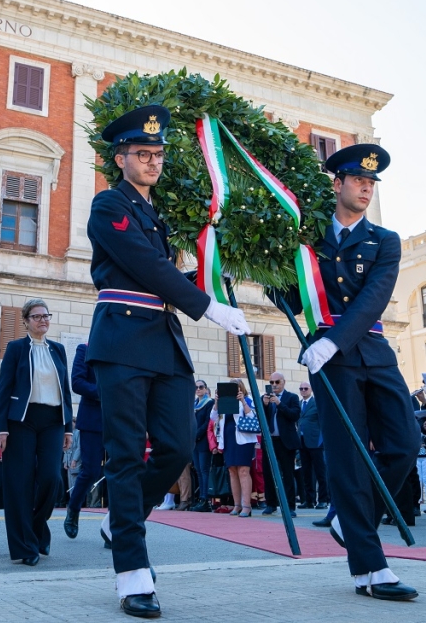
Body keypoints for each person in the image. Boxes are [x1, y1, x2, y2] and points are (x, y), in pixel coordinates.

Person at [86, 104, 250, 617]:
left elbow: (166, 270)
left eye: (158, 154)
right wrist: (209, 306)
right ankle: (133, 575)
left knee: (178, 447)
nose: (153, 161)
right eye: (143, 153)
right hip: (124, 341)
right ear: (121, 159)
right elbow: (146, 266)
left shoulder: (154, 214)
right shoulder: (107, 204)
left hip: (164, 340)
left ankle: (122, 516)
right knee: (128, 454)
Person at [273, 144, 418, 601]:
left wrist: (334, 340)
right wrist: (263, 266)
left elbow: (374, 298)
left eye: (371, 183)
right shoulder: (310, 242)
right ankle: (370, 569)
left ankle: (349, 520)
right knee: (348, 462)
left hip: (369, 350)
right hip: (329, 364)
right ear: (337, 184)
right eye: (358, 180)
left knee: (403, 444)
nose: (366, 188)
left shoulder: (385, 240)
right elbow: (293, 300)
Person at [0, 298, 74, 566]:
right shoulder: (16, 348)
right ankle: (25, 546)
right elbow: (4, 389)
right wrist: (0, 428)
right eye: (37, 316)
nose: (43, 320)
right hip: (21, 421)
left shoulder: (58, 350)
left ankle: (38, 529)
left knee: (52, 478)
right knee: (20, 483)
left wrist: (68, 427)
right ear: (26, 321)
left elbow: (65, 389)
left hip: (52, 421)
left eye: (46, 316)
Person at [64, 342, 105, 538]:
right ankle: (73, 509)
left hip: (122, 417)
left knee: (123, 470)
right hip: (93, 418)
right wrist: (104, 394)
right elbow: (77, 382)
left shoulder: (124, 349)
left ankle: (114, 528)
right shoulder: (85, 348)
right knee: (91, 471)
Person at [210, 379, 257, 516]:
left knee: (243, 471)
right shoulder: (224, 401)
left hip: (244, 440)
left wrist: (242, 401)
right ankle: (236, 505)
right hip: (228, 439)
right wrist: (217, 401)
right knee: (232, 471)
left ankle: (247, 506)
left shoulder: (248, 400)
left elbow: (252, 416)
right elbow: (213, 417)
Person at [261, 372, 301, 517]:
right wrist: (265, 405)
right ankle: (271, 504)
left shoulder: (292, 397)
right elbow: (260, 418)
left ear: (283, 382)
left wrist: (279, 403)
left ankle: (290, 506)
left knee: (288, 473)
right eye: (271, 383)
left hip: (286, 441)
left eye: (277, 382)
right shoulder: (264, 398)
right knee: (268, 472)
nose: (274, 385)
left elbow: (294, 415)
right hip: (270, 441)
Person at [297, 382, 328, 510]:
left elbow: (323, 422)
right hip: (302, 441)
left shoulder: (316, 403)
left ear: (311, 389)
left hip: (316, 442)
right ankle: (309, 500)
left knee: (320, 472)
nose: (303, 390)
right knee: (306, 472)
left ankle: (323, 500)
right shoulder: (299, 404)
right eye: (301, 389)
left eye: (306, 388)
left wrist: (321, 440)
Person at [191, 380, 215, 512]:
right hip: (194, 441)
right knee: (198, 471)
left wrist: (196, 434)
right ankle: (201, 498)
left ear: (206, 389)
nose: (198, 389)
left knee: (204, 470)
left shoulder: (209, 402)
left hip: (203, 440)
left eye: (201, 387)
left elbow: (208, 422)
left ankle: (205, 500)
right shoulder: (194, 403)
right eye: (196, 387)